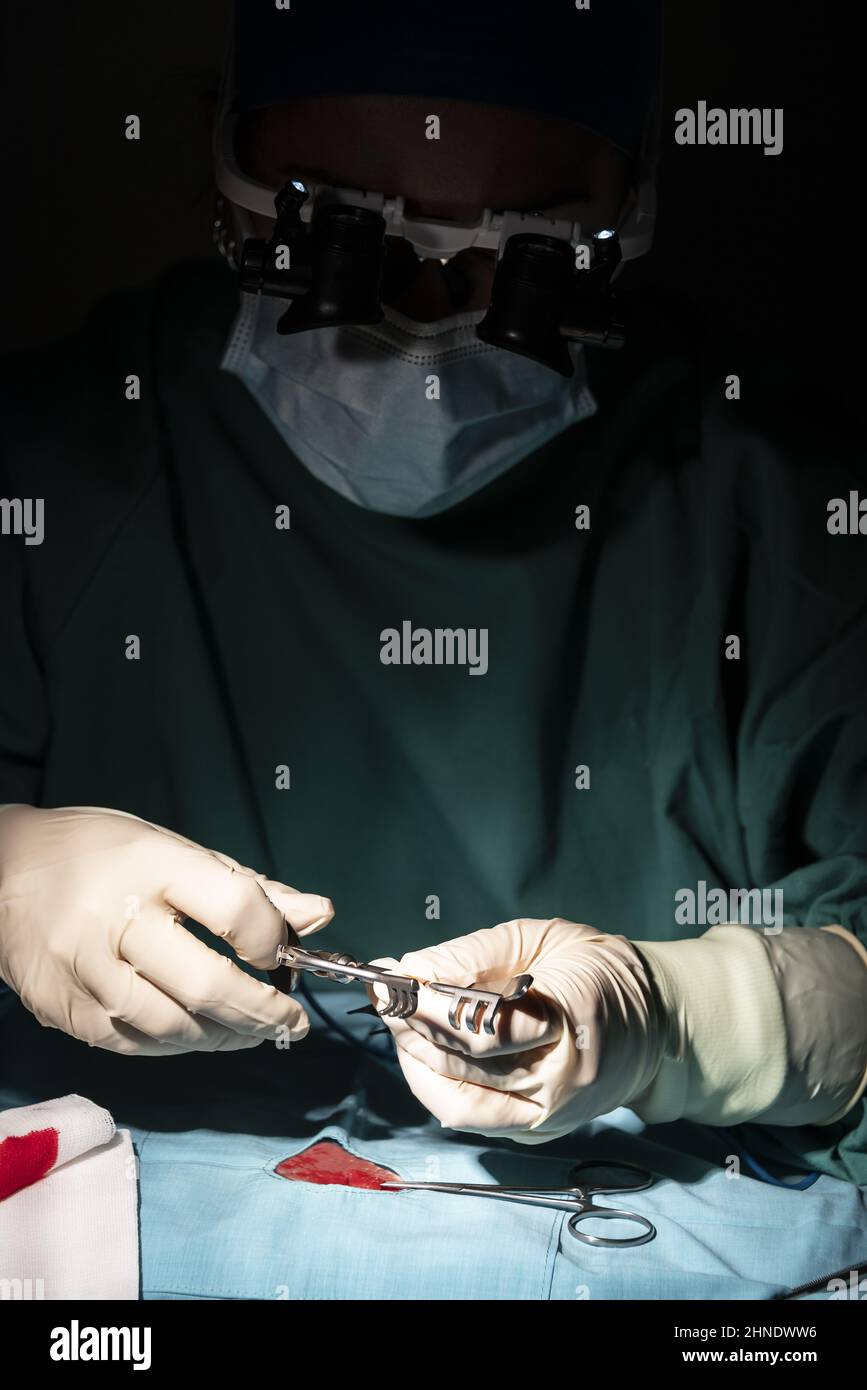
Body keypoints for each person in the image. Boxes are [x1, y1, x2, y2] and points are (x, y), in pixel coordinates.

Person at [1, 0, 866, 1186]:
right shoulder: (60, 466)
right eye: (331, 233)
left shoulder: (781, 517)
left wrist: (699, 1017)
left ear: (633, 202)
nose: (423, 322)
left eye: (528, 260)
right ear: (222, 149)